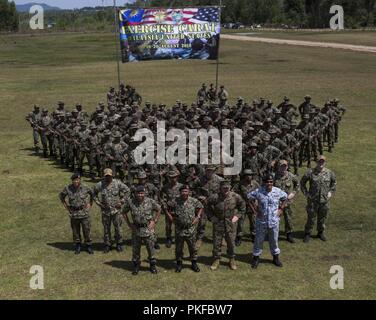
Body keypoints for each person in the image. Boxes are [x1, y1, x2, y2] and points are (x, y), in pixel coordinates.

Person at [248, 174, 288, 268]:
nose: (269, 183)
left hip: (274, 221)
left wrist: (281, 209)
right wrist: (255, 210)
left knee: (274, 240)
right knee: (258, 240)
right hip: (261, 221)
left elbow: (285, 198)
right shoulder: (259, 191)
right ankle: (256, 258)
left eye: (271, 182)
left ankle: (275, 258)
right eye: (267, 182)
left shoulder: (277, 191)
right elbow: (249, 198)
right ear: (264, 182)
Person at [122, 185, 161, 275]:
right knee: (136, 249)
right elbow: (123, 212)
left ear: (144, 193)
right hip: (136, 229)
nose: (140, 195)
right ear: (135, 193)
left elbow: (159, 209)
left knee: (150, 248)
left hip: (148, 229)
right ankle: (136, 266)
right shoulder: (131, 202)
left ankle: (152, 265)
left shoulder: (150, 201)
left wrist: (154, 221)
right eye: (138, 193)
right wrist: (129, 224)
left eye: (142, 193)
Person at [207, 180, 246, 271]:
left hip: (230, 223)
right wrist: (211, 217)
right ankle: (216, 259)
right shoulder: (215, 197)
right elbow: (207, 206)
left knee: (231, 242)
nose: (225, 189)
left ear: (230, 187)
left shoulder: (235, 196)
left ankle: (231, 259)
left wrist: (237, 216)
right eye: (224, 188)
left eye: (227, 187)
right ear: (220, 188)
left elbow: (243, 206)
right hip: (218, 222)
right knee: (217, 242)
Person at [166, 185, 203, 273]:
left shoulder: (193, 201)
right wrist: (170, 217)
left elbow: (201, 206)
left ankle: (194, 263)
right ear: (180, 192)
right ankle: (179, 263)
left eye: (186, 191)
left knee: (192, 247)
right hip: (179, 229)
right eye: (183, 191)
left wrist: (198, 216)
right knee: (179, 248)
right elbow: (166, 207)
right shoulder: (175, 201)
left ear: (189, 192)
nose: (185, 193)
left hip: (191, 229)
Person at [93, 168, 130, 253]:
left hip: (116, 211)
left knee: (118, 228)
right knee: (106, 228)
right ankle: (107, 244)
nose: (108, 178)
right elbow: (93, 194)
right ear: (104, 176)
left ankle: (119, 243)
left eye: (109, 176)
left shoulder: (117, 183)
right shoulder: (100, 185)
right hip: (105, 211)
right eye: (106, 176)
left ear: (112, 175)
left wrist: (122, 201)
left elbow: (127, 191)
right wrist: (99, 203)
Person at [300, 155, 336, 242]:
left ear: (325, 162)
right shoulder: (310, 172)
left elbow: (334, 183)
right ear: (317, 162)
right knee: (311, 218)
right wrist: (306, 194)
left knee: (322, 218)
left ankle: (320, 233)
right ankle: (307, 233)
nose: (321, 163)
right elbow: (302, 183)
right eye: (319, 161)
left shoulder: (329, 173)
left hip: (324, 201)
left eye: (323, 161)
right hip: (313, 200)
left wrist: (330, 192)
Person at [59, 173, 94, 255]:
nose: (76, 181)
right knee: (75, 231)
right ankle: (78, 246)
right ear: (72, 180)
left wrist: (90, 204)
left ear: (80, 180)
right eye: (74, 180)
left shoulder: (85, 187)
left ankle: (88, 245)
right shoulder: (68, 188)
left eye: (78, 180)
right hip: (74, 213)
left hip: (84, 213)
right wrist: (67, 208)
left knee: (87, 230)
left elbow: (93, 194)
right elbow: (61, 197)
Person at [274, 160, 300, 243]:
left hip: (288, 202)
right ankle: (274, 234)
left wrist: (294, 192)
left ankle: (289, 234)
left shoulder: (291, 176)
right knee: (275, 218)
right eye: (281, 166)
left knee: (288, 218)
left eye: (285, 166)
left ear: (287, 167)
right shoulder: (274, 176)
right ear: (278, 167)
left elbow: (298, 184)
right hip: (276, 202)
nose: (283, 168)